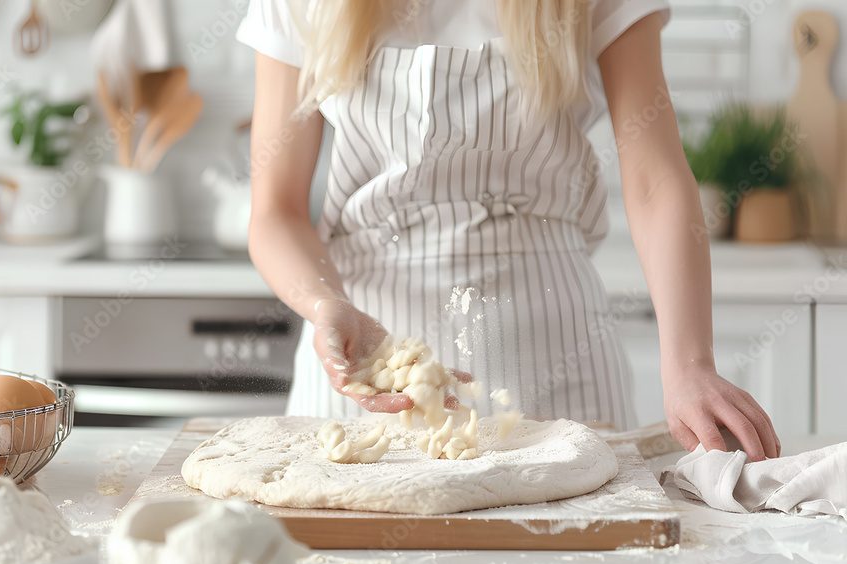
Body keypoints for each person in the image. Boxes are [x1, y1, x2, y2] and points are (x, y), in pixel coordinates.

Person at [236, 0, 781, 461]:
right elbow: (275, 211)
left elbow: (654, 180)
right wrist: (326, 305)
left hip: (553, 345)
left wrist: (689, 364)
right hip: (363, 362)